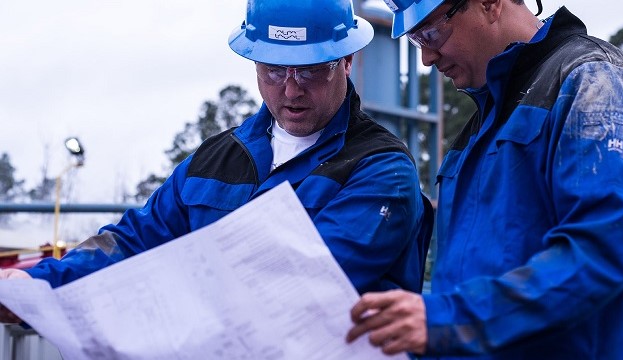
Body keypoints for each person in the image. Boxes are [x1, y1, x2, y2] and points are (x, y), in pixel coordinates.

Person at [0, 0, 432, 324]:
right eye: (274, 70)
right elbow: (135, 239)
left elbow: (304, 282)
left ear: (347, 62)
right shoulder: (215, 160)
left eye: (311, 70)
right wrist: (40, 283)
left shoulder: (381, 170)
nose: (291, 89)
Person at [346, 0, 623, 358]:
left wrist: (445, 319)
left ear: (489, 3)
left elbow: (602, 251)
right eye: (415, 40)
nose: (426, 58)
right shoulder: (475, 134)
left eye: (431, 33)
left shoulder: (591, 80)